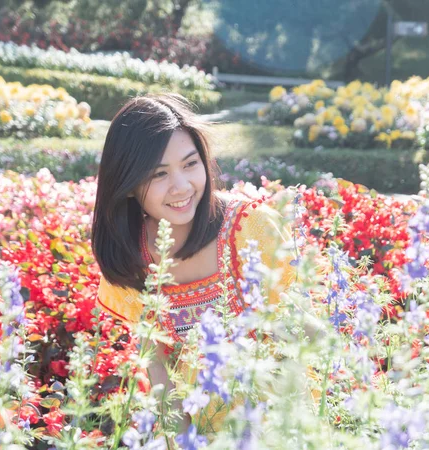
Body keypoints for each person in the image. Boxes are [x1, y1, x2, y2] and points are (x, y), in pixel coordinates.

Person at [91, 94, 299, 435]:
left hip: (276, 416)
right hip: (199, 427)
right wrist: (184, 438)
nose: (182, 186)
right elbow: (157, 364)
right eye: (159, 173)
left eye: (190, 164)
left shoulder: (252, 228)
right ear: (127, 185)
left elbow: (298, 335)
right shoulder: (131, 255)